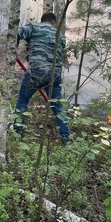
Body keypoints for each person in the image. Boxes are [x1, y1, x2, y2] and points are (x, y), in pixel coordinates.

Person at [13, 12, 71, 142]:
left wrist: (14, 47)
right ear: (53, 22)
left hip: (36, 72)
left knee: (22, 100)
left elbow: (16, 33)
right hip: (55, 75)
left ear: (42, 20)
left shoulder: (34, 27)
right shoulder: (60, 36)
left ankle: (17, 132)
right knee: (58, 107)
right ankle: (66, 138)